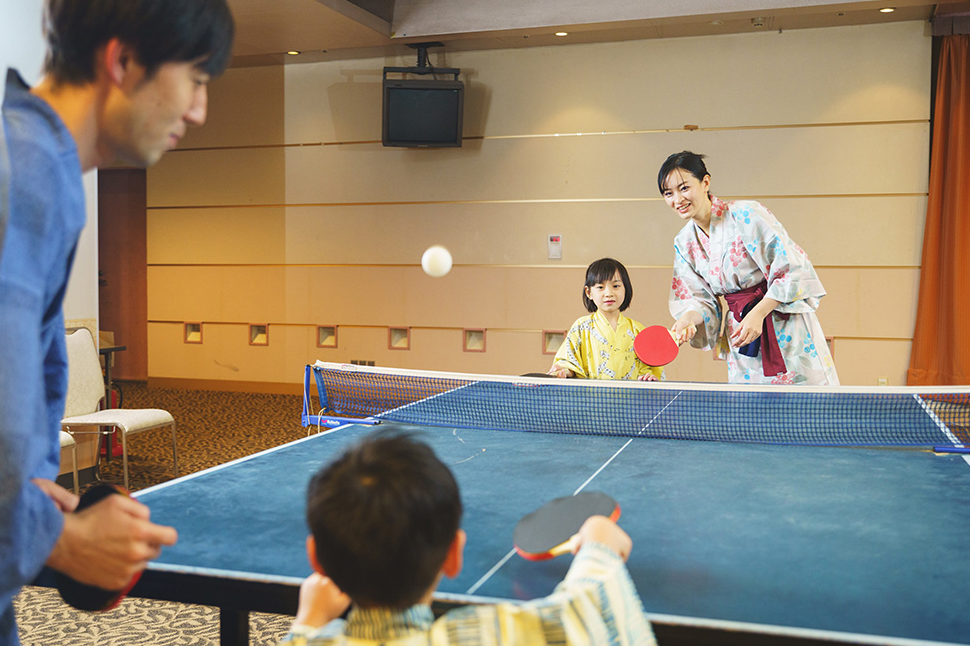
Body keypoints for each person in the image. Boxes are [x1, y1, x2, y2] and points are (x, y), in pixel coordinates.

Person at [0, 0, 234, 643]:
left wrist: (36, 499)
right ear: (122, 59)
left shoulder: (19, 161)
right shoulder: (25, 184)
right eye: (196, 80)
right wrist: (63, 541)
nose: (199, 109)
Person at [281, 430, 655, 645]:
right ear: (454, 555)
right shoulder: (483, 637)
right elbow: (589, 615)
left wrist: (308, 620)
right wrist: (598, 546)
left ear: (316, 559)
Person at [657, 151, 839, 385]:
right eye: (668, 193)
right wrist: (689, 319)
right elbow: (699, 300)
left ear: (705, 182)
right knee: (751, 411)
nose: (677, 199)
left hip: (783, 324)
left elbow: (792, 268)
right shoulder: (684, 242)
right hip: (743, 332)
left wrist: (759, 313)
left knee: (808, 407)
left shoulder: (747, 214)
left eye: (684, 188)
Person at [549, 257, 663, 381]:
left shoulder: (638, 330)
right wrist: (564, 370)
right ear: (589, 292)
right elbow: (567, 362)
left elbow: (648, 370)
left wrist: (648, 379)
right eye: (600, 287)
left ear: (626, 288)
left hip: (629, 399)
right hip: (591, 399)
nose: (609, 293)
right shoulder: (581, 327)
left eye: (616, 286)